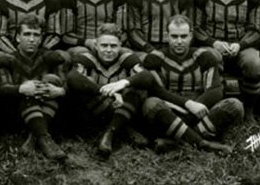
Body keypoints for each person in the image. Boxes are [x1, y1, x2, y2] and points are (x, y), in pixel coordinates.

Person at [101, 15, 238, 154]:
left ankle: (175, 142)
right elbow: (158, 91)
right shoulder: (155, 58)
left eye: (183, 36)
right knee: (152, 104)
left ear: (191, 35)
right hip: (170, 109)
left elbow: (215, 90)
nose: (179, 41)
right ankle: (202, 143)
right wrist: (188, 105)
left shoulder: (204, 56)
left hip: (198, 109)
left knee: (234, 105)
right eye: (174, 36)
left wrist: (196, 106)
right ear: (167, 36)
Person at [192, 0, 260, 120]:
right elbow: (195, 28)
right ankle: (215, 110)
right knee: (212, 59)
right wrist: (213, 42)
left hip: (240, 44)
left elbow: (256, 29)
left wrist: (241, 45)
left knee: (254, 64)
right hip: (212, 45)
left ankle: (248, 110)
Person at [0, 18, 68, 160]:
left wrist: (59, 91)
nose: (31, 39)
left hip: (46, 111)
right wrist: (22, 89)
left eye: (36, 35)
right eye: (27, 34)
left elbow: (65, 86)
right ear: (18, 37)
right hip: (17, 113)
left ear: (41, 39)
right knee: (28, 92)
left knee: (51, 80)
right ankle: (44, 138)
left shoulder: (52, 58)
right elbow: (2, 89)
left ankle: (36, 138)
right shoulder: (7, 60)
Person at [65, 24, 143, 159]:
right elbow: (72, 78)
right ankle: (123, 129)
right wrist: (106, 91)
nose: (108, 50)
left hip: (121, 107)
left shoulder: (127, 57)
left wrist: (123, 83)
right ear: (96, 45)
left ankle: (109, 134)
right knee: (83, 89)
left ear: (120, 45)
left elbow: (147, 77)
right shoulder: (85, 57)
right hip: (96, 111)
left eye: (113, 46)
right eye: (104, 45)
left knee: (135, 88)